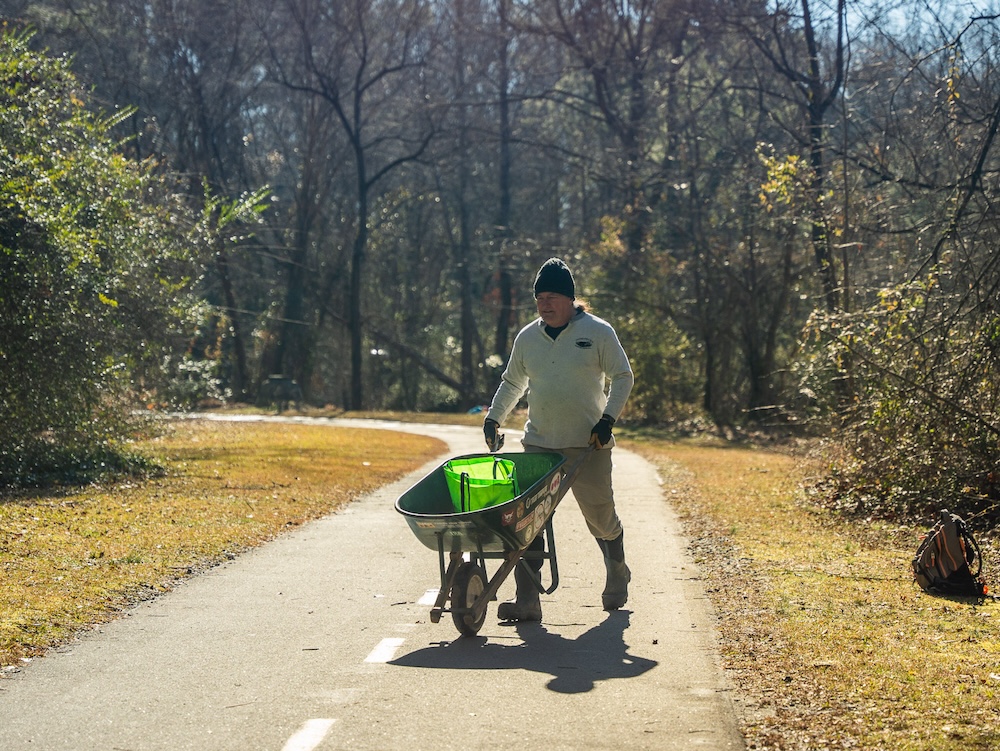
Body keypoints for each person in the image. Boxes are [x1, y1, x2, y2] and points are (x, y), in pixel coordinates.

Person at [483, 257, 634, 621]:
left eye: (552, 297)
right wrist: (493, 418)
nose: (545, 304)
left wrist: (607, 421)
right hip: (539, 443)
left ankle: (617, 570)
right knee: (527, 518)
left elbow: (623, 376)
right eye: (539, 298)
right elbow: (512, 382)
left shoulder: (598, 332)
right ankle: (528, 600)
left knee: (599, 516)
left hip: (588, 444)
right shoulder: (528, 337)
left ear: (570, 298)